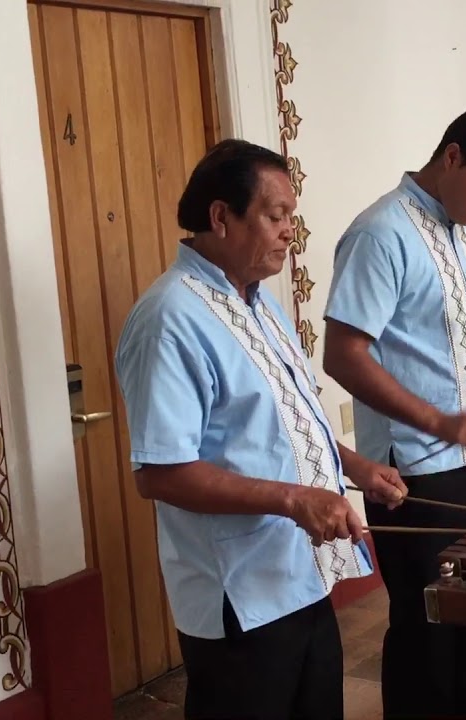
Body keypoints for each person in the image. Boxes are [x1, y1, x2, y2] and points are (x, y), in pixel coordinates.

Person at [114, 138, 409, 720]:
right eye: (276, 217)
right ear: (221, 217)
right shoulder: (170, 319)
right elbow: (161, 473)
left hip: (301, 573)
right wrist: (295, 497)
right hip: (240, 596)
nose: (288, 233)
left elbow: (284, 422)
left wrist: (354, 466)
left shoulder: (257, 302)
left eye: (291, 218)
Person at [322, 105, 466, 719]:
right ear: (451, 157)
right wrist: (438, 422)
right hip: (419, 474)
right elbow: (343, 356)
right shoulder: (381, 233)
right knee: (429, 639)